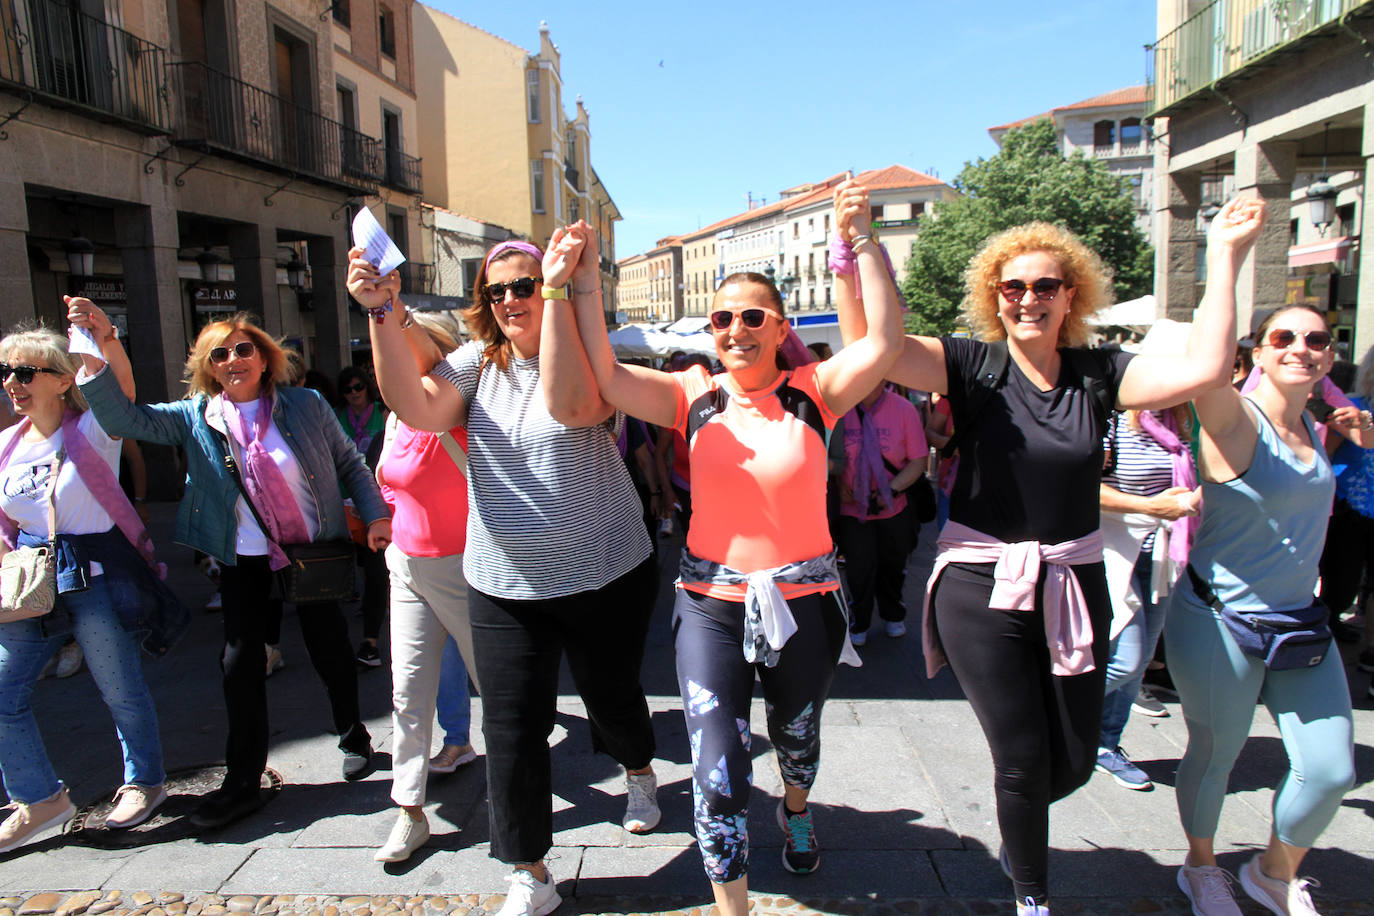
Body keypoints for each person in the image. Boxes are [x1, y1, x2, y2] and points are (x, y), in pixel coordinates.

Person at [838, 197, 1267, 915]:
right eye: (1013, 287)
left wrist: (1224, 253)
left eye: (1044, 286)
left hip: (1075, 581)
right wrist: (862, 245)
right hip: (981, 588)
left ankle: (1021, 822)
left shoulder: (1100, 373)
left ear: (1072, 295)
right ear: (994, 298)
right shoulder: (970, 365)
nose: (1028, 299)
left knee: (1069, 760)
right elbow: (877, 346)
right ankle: (1032, 898)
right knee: (1022, 758)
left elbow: (1206, 368)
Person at [563, 179, 902, 916]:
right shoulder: (694, 394)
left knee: (797, 739)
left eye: (753, 316)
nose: (736, 328)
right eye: (723, 317)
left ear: (779, 326)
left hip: (805, 603)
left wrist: (862, 243)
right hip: (710, 606)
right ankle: (733, 908)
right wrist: (584, 286)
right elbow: (608, 376)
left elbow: (885, 341)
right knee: (717, 769)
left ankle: (798, 804)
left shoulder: (817, 392)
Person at [347, 232, 661, 916]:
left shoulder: (588, 361)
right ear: (485, 305)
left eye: (526, 285)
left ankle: (638, 770)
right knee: (511, 728)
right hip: (504, 582)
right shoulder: (473, 364)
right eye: (499, 291)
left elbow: (569, 407)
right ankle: (530, 871)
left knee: (611, 700)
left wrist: (563, 293)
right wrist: (379, 313)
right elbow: (416, 406)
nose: (513, 299)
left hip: (604, 569)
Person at [76, 306, 391, 830]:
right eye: (219, 354)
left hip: (308, 549)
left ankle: (352, 730)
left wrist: (375, 513)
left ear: (265, 360)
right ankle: (243, 778)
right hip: (243, 556)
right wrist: (105, 344)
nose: (233, 359)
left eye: (244, 349)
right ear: (209, 367)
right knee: (238, 662)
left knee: (329, 647)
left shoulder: (306, 404)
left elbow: (347, 466)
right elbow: (123, 420)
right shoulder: (197, 416)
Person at [1166, 303, 1357, 916]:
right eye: (1284, 337)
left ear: (1329, 355)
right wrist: (1225, 255)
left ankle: (1272, 872)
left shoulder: (1319, 425)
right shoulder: (1237, 421)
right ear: (1258, 352)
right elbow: (1205, 369)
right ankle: (1200, 867)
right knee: (1216, 752)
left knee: (1330, 771)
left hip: (1301, 622)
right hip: (1221, 620)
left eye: (1317, 339)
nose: (1302, 347)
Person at [0, 317, 185, 853]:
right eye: (5, 372)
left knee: (119, 688)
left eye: (24, 371)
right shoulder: (7, 445)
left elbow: (122, 390)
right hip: (31, 585)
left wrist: (104, 338)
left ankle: (144, 781)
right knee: (3, 694)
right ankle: (39, 799)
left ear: (62, 379)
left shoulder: (92, 429)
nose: (12, 382)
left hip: (95, 577)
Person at [371, 308, 481, 864]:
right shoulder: (395, 418)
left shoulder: (459, 409)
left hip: (467, 569)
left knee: (504, 693)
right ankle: (409, 812)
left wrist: (394, 315)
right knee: (408, 695)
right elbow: (390, 482)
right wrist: (384, 520)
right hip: (407, 567)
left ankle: (519, 795)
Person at [1094, 405, 1198, 791]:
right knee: (1126, 660)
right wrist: (1150, 507)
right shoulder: (1112, 422)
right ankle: (1052, 709)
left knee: (1137, 665)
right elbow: (1083, 486)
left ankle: (1104, 746)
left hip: (1162, 554)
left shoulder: (1179, 421)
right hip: (1114, 549)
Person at [833, 380, 927, 645]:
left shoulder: (904, 409)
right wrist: (840, 485)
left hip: (894, 506)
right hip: (852, 507)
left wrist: (893, 491)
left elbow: (919, 459)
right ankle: (859, 620)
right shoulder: (841, 408)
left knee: (893, 565)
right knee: (858, 569)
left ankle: (893, 615)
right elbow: (831, 453)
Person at [335, 365, 390, 667]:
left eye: (358, 387)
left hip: (375, 504)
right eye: (348, 389)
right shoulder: (334, 416)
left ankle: (370, 641)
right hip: (341, 503)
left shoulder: (384, 414)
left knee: (375, 571)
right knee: (349, 569)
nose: (354, 394)